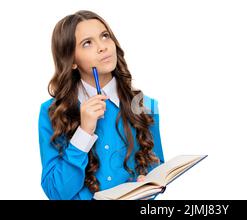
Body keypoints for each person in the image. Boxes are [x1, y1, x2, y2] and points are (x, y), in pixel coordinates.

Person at [38, 10, 164, 200]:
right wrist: (84, 132)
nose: (102, 47)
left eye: (105, 36)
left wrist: (148, 189)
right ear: (71, 60)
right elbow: (56, 193)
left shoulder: (145, 104)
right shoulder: (52, 112)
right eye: (87, 43)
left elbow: (156, 170)